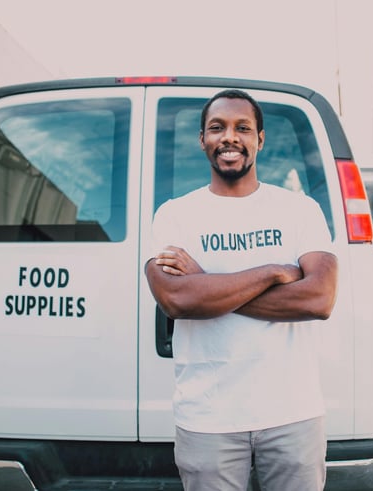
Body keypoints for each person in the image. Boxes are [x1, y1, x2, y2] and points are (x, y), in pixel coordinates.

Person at [145, 89, 339, 491]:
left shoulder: (300, 210)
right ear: (203, 140)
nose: (229, 137)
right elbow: (176, 299)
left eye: (242, 128)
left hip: (293, 415)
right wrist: (272, 271)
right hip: (208, 420)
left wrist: (207, 283)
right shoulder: (175, 215)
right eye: (217, 127)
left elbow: (319, 298)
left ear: (260, 139)